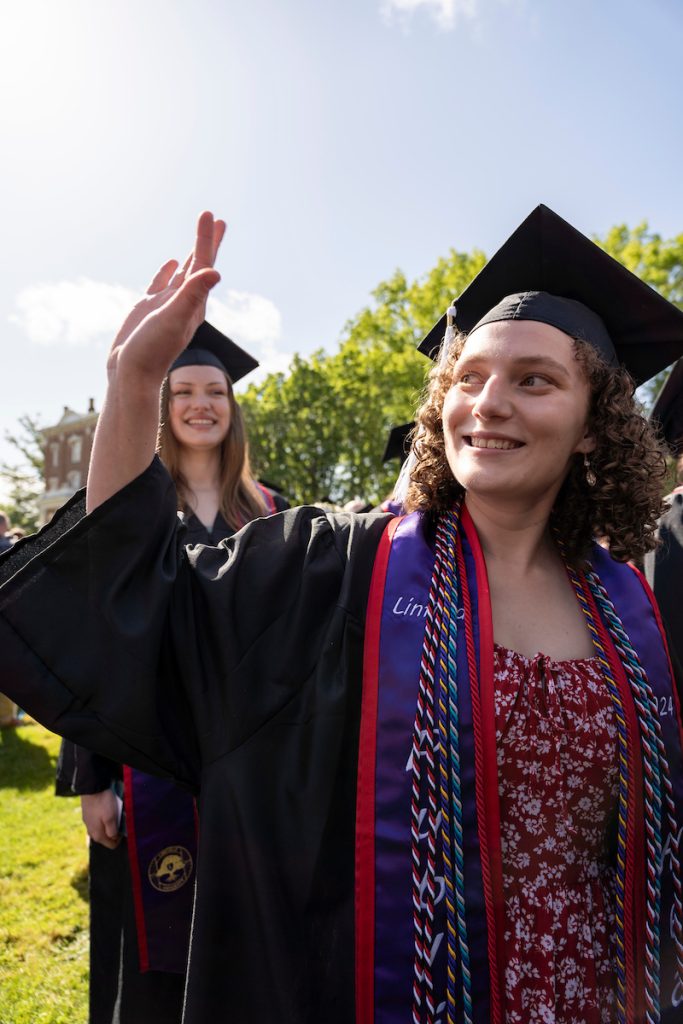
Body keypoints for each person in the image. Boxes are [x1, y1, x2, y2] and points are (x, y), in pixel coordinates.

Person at [2, 205, 683, 1024]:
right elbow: (138, 605)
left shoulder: (628, 605)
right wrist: (133, 385)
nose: (487, 402)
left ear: (592, 424)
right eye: (467, 377)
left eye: (533, 380)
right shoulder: (332, 568)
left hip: (590, 993)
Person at [55, 321, 288, 1024]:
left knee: (243, 933)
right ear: (160, 407)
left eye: (214, 391)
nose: (200, 404)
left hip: (247, 765)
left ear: (232, 405)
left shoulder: (271, 508)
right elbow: (93, 644)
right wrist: (92, 778)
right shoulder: (132, 508)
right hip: (144, 758)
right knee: (148, 948)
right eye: (181, 391)